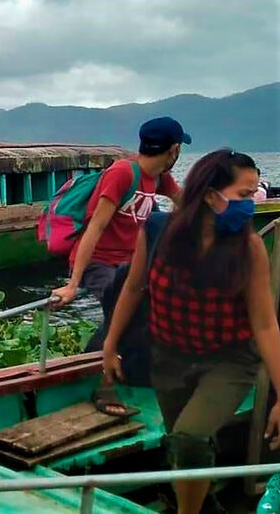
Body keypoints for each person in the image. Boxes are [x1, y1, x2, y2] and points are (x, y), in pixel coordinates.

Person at [102, 150, 280, 514]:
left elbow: (264, 324)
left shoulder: (248, 249)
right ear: (210, 195)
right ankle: (207, 504)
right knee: (182, 446)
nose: (250, 205)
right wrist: (110, 343)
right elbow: (134, 288)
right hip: (169, 356)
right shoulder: (156, 232)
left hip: (229, 361)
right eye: (244, 195)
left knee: (189, 437)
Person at [51, 116, 186, 415]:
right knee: (120, 310)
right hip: (98, 261)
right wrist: (73, 284)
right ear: (174, 150)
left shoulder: (160, 178)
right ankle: (98, 381)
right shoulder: (123, 173)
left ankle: (135, 370)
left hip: (128, 262)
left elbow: (185, 202)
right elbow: (95, 227)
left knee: (148, 304)